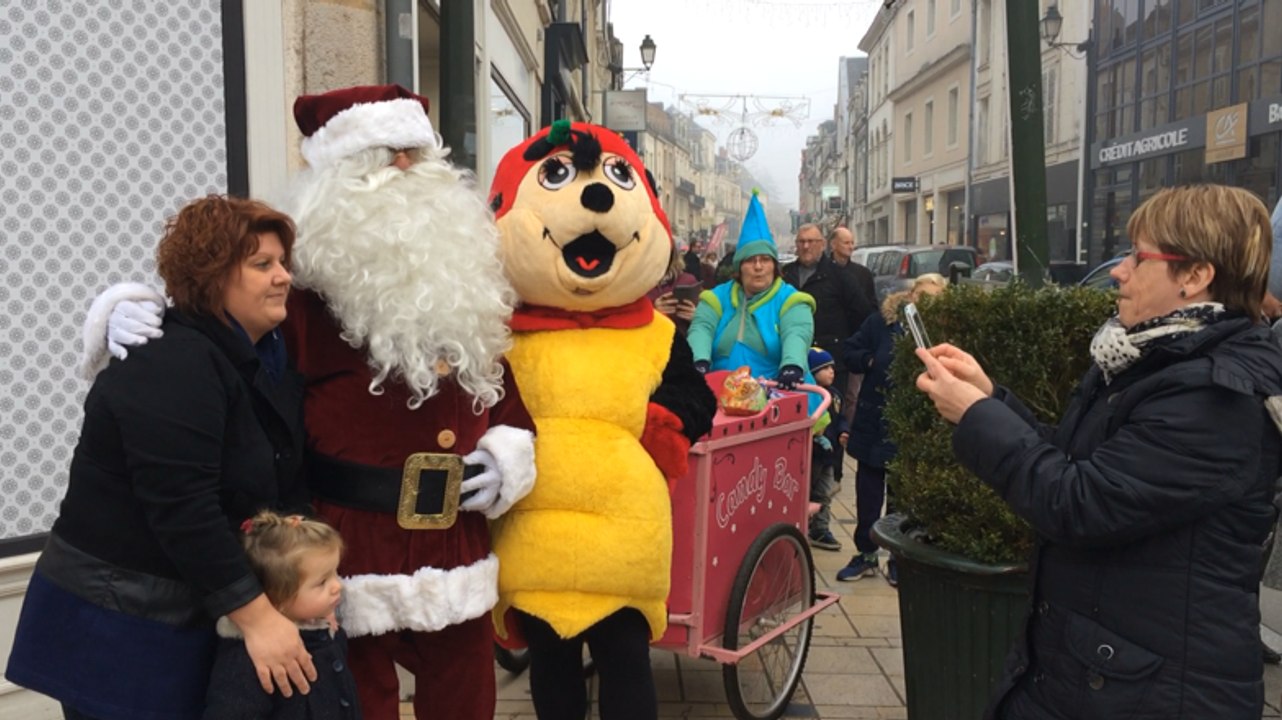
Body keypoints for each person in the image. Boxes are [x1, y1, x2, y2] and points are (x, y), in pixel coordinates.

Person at [79, 85, 537, 720]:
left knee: (465, 697)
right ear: (335, 185)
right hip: (339, 545)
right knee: (352, 700)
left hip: (454, 540)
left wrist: (510, 453)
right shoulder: (301, 299)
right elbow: (216, 336)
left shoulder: (468, 290)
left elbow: (506, 400)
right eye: (382, 158)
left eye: (413, 154)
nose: (403, 170)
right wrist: (130, 310)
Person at [914, 184, 1282, 719]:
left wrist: (976, 416)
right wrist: (991, 397)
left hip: (1151, 691)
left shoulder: (1213, 397)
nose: (1119, 270)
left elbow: (1077, 503)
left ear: (1196, 277)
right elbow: (1078, 465)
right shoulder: (1155, 360)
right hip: (1106, 673)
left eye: (1139, 257)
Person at [6, 196, 313, 720]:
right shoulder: (173, 362)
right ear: (213, 276)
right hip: (117, 625)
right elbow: (183, 509)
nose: (283, 276)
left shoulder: (256, 356)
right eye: (262, 264)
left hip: (182, 608)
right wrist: (259, 618)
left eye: (283, 262)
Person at [837, 273, 947, 585]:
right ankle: (866, 554)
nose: (925, 303)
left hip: (912, 425)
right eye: (921, 295)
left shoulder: (940, 332)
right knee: (868, 494)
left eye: (934, 299)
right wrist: (869, 361)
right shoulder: (881, 322)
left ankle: (899, 557)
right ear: (911, 295)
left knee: (903, 498)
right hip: (875, 421)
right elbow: (851, 352)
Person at [204, 511, 359, 720]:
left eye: (335, 572)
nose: (337, 585)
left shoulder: (329, 631)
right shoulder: (245, 661)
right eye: (322, 582)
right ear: (278, 598)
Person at [687, 193, 816, 390]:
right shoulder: (716, 298)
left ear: (774, 265)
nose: (758, 267)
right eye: (750, 260)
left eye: (765, 259)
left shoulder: (791, 300)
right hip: (722, 396)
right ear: (739, 268)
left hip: (779, 393)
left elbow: (797, 333)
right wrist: (699, 361)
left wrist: (792, 365)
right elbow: (701, 328)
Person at [783, 224, 877, 489]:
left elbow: (863, 312)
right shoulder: (787, 274)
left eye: (811, 241)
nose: (805, 246)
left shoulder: (838, 276)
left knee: (831, 424)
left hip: (831, 363)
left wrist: (848, 345)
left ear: (822, 244)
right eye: (801, 241)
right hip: (795, 360)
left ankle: (828, 482)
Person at [828, 226, 878, 423]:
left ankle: (848, 428)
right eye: (846, 242)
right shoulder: (825, 271)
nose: (851, 246)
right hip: (830, 341)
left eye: (851, 242)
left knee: (852, 393)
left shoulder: (862, 274)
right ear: (833, 244)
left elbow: (872, 307)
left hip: (855, 339)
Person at [806, 348, 848, 551]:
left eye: (832, 367)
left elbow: (842, 418)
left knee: (824, 494)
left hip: (830, 457)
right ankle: (802, 526)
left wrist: (843, 431)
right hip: (811, 456)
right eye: (825, 368)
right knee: (805, 492)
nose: (832, 371)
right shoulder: (808, 395)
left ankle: (820, 529)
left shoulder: (836, 396)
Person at [647, 247, 700, 335]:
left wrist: (696, 317)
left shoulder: (688, 281)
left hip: (681, 339)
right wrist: (654, 311)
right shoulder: (640, 284)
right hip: (650, 340)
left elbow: (704, 317)